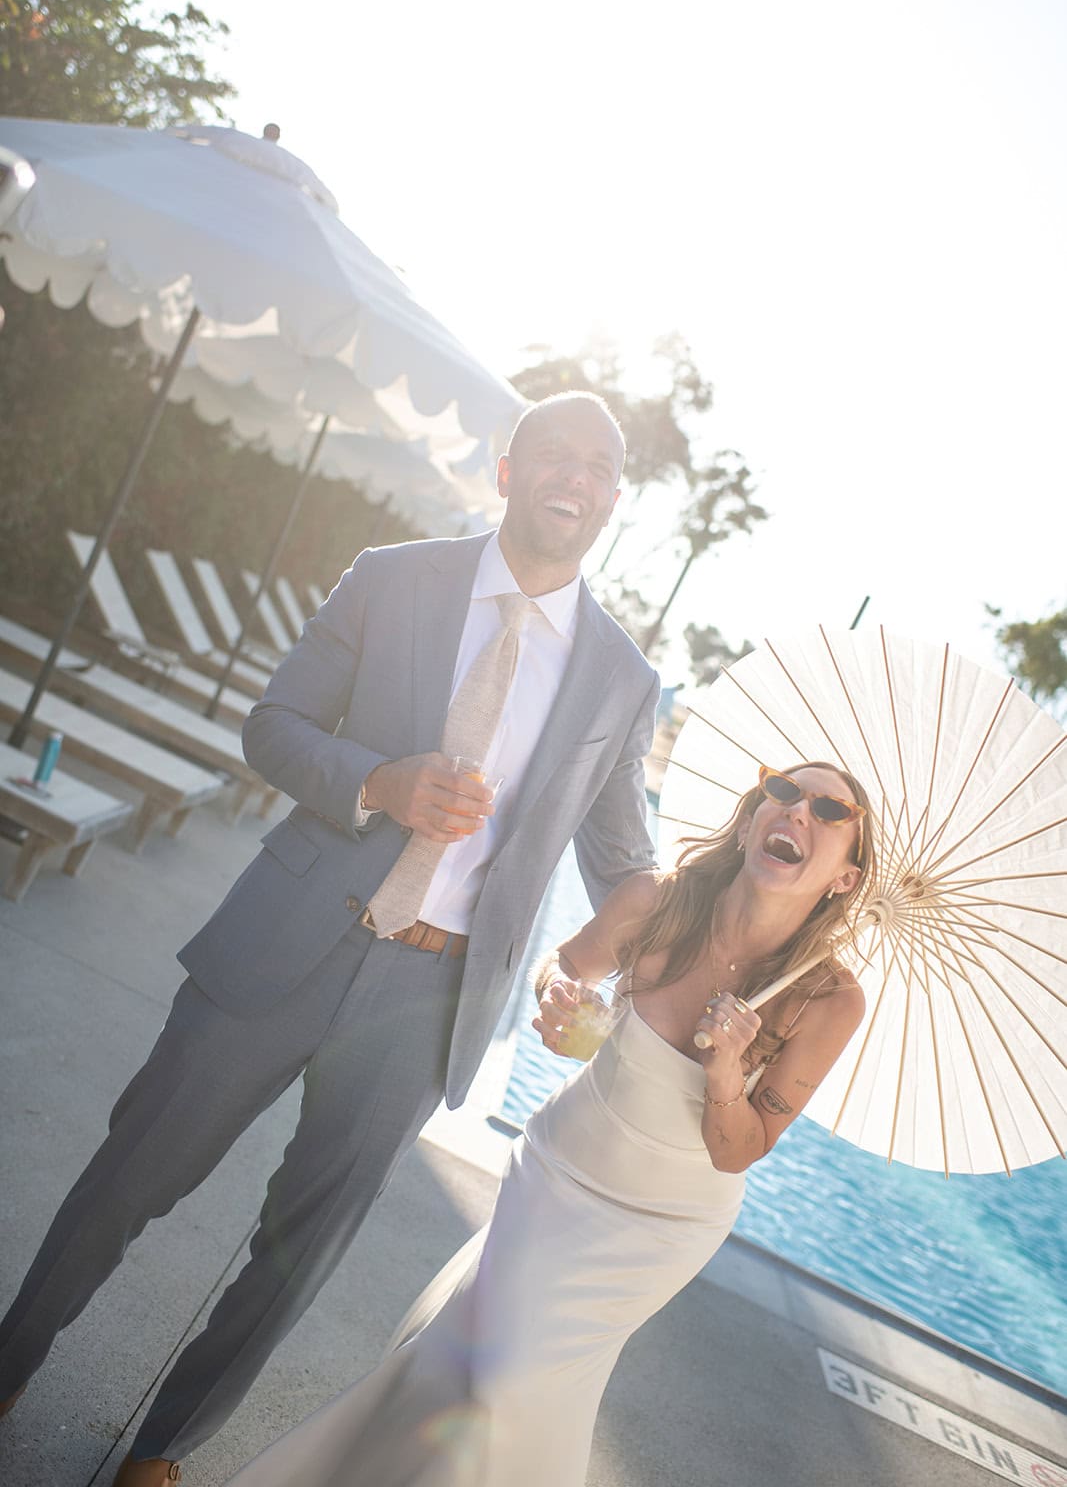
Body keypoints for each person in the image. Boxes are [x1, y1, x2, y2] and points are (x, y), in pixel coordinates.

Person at [0, 392, 661, 1486]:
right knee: (133, 1171)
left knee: (295, 1256)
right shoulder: (391, 576)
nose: (573, 475)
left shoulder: (621, 679)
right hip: (284, 943)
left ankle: (163, 1449)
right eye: (552, 452)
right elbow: (272, 726)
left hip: (428, 1005)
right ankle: (15, 1355)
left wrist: (654, 949)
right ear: (505, 469)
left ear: (611, 498)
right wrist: (377, 780)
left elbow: (624, 863)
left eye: (596, 465)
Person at [221, 760, 873, 1487]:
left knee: (514, 1380)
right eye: (782, 792)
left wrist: (727, 1071)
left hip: (660, 1229)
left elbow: (738, 1151)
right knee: (481, 1370)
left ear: (844, 877)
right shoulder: (656, 899)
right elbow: (564, 968)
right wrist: (564, 1002)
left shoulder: (826, 1000)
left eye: (829, 811)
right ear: (753, 814)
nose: (797, 813)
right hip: (561, 1172)